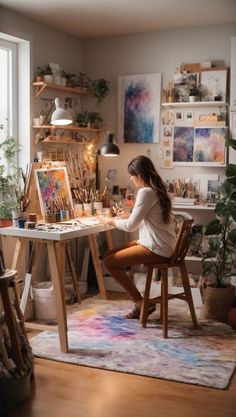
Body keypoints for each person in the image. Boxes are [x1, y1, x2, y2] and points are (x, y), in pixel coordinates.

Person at [103, 155, 176, 319]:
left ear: (140, 175)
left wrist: (112, 221)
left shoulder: (145, 192)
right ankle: (142, 302)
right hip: (160, 245)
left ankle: (141, 302)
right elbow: (149, 220)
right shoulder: (157, 189)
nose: (130, 177)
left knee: (108, 262)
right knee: (108, 256)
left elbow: (130, 227)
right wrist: (129, 214)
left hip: (156, 249)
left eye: (132, 174)